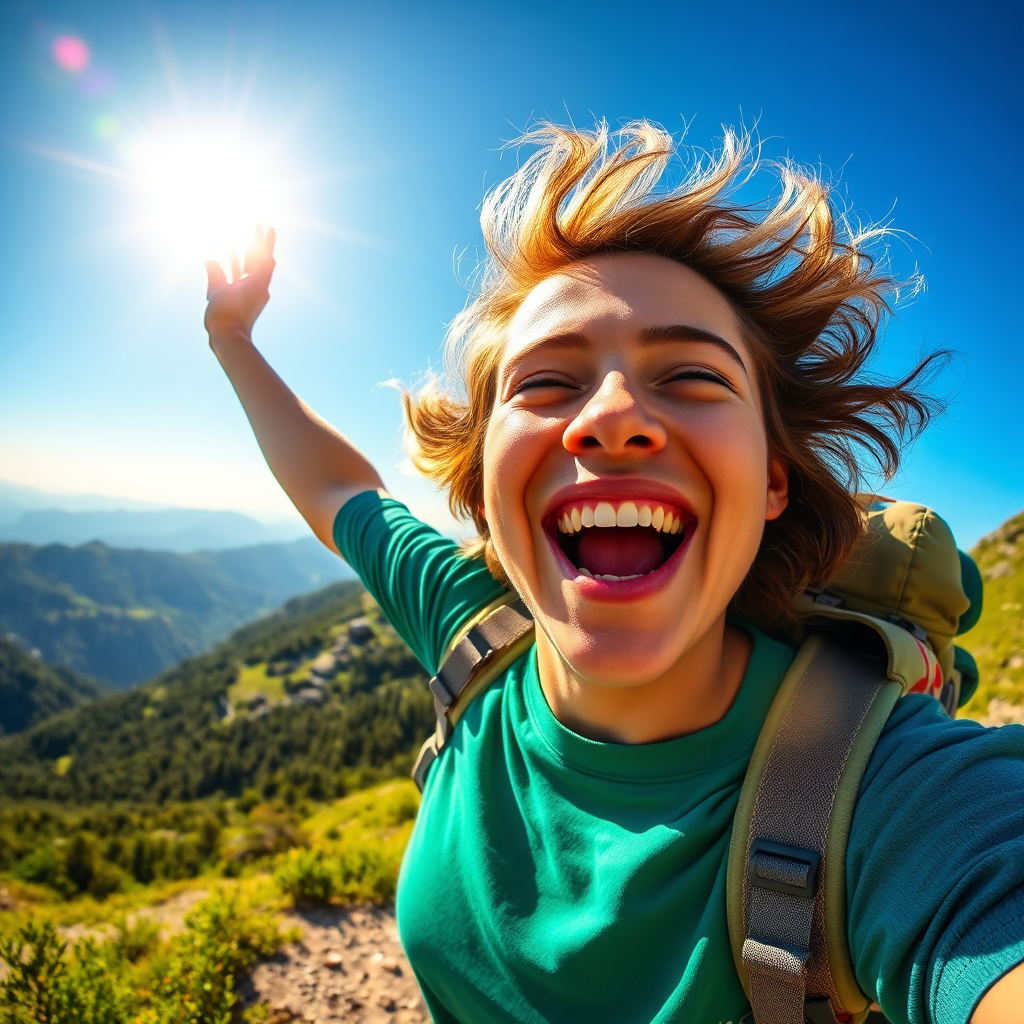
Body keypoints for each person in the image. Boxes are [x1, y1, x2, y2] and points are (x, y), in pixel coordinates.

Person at [203, 122, 1024, 1024]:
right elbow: (341, 491)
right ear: (483, 478)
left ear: (770, 483)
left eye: (692, 377)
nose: (613, 417)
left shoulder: (887, 790)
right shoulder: (475, 633)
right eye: (546, 383)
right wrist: (231, 339)